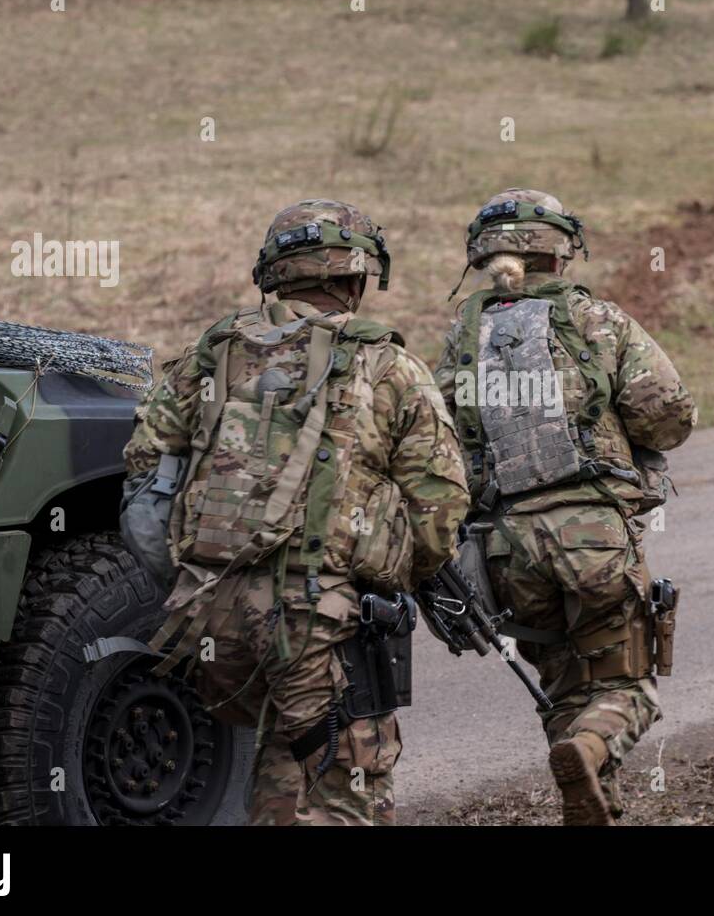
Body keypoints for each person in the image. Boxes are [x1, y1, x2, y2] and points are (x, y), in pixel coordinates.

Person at [123, 199, 468, 824]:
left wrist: (192, 577)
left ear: (275, 273)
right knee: (349, 790)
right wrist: (385, 572)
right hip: (322, 623)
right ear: (356, 278)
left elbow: (145, 482)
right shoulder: (387, 365)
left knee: (286, 760)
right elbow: (440, 514)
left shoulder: (210, 356)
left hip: (211, 624)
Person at [433, 187, 697, 825]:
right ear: (561, 250)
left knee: (562, 684)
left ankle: (589, 794)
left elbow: (437, 446)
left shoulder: (462, 338)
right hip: (593, 536)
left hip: (504, 549)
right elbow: (668, 414)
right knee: (624, 686)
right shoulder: (597, 321)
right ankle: (587, 749)